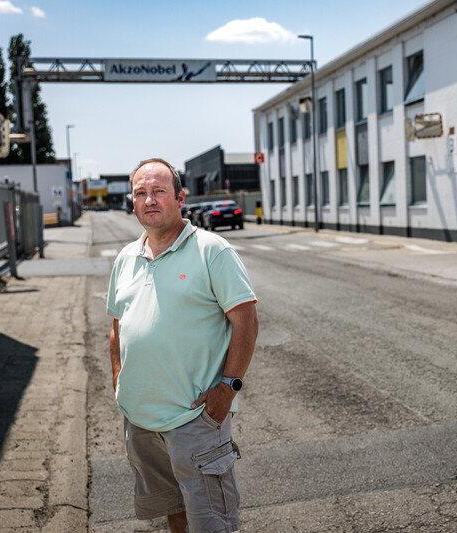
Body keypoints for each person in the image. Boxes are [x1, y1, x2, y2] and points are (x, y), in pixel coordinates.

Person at [107, 158, 258, 533]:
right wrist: (120, 381)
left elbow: (246, 321)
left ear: (180, 198)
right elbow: (117, 326)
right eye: (140, 193)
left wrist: (228, 388)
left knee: (212, 523)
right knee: (174, 513)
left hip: (195, 419)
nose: (149, 200)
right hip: (141, 420)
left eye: (159, 191)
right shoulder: (126, 258)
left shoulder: (212, 250)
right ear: (132, 201)